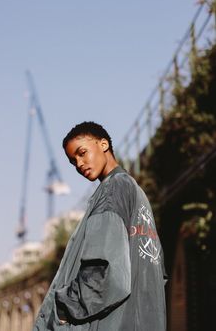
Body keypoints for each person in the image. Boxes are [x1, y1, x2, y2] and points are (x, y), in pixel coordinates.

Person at [33, 121, 167, 331]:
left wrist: (62, 308)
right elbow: (160, 274)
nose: (79, 164)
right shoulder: (137, 194)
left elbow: (104, 271)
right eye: (73, 161)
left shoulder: (111, 192)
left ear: (103, 144)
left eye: (82, 152)